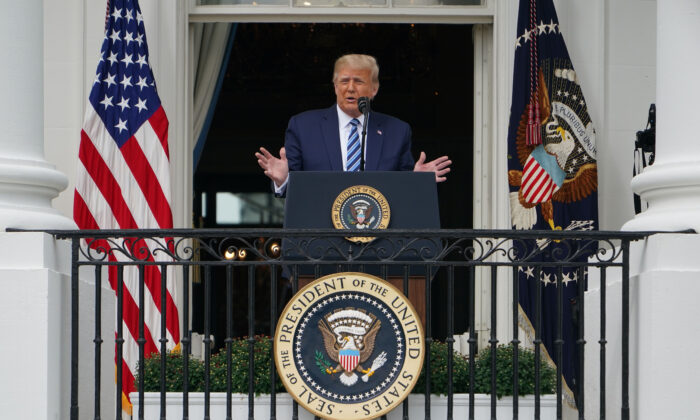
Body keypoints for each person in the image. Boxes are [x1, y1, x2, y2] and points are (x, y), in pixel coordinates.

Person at [256, 54, 451, 195]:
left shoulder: (397, 131)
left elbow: (402, 193)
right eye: (344, 81)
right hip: (319, 243)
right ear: (335, 87)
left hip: (378, 244)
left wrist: (416, 181)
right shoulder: (303, 126)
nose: (350, 88)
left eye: (358, 81)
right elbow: (292, 193)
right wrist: (283, 179)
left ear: (374, 89)